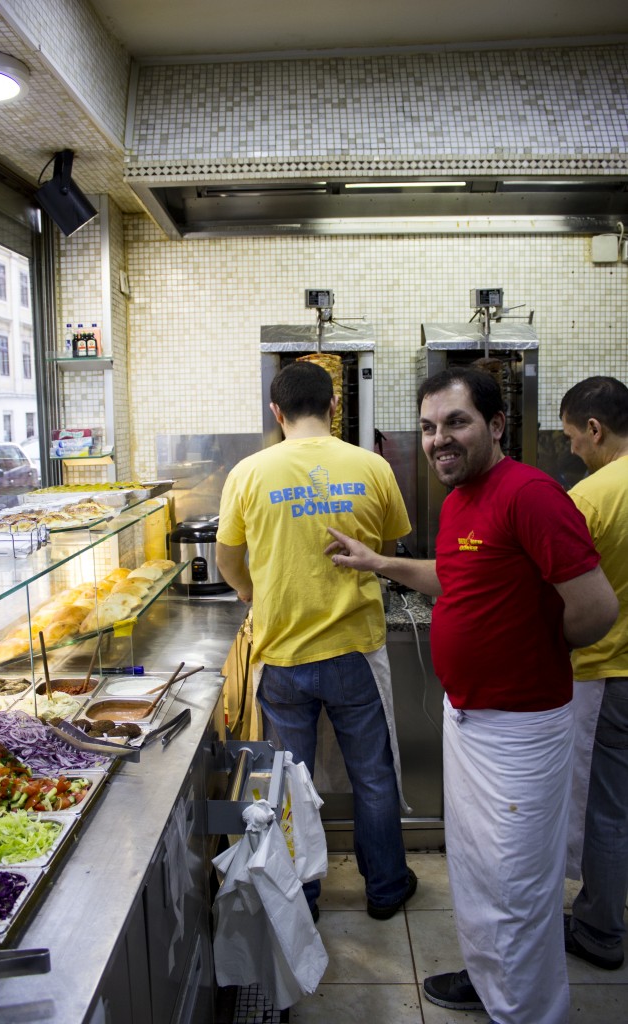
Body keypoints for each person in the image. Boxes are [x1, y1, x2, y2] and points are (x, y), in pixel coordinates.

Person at [325, 366, 618, 1024]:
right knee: (480, 873)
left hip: (520, 727)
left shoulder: (531, 495)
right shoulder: (462, 498)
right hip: (471, 719)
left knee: (515, 885)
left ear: (494, 425)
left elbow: (595, 609)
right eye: (428, 428)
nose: (438, 440)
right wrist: (379, 563)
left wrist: (532, 651)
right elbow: (452, 573)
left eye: (454, 423)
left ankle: (526, 1010)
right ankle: (493, 983)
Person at [216, 359, 417, 921]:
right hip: (355, 646)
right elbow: (390, 557)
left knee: (288, 783)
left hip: (282, 653)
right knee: (372, 776)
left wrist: (257, 592)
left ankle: (301, 896)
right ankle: (386, 889)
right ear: (334, 406)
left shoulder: (248, 473)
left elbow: (228, 561)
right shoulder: (372, 467)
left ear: (276, 412)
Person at [559, 375, 628, 971]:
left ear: (595, 429)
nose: (572, 450)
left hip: (613, 672)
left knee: (606, 806)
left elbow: (566, 594)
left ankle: (601, 928)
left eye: (572, 438)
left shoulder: (592, 497)